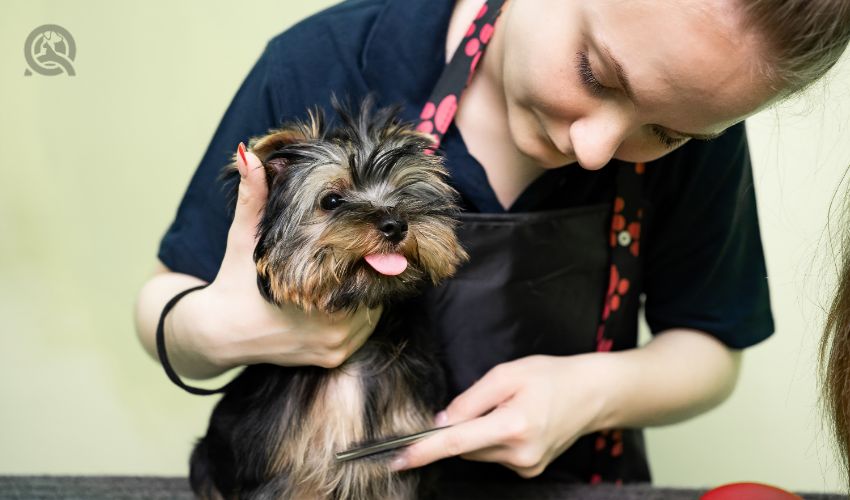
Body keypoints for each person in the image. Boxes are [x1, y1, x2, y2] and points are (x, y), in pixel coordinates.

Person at [134, 0, 850, 485]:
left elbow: (711, 349)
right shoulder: (326, 61)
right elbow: (163, 300)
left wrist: (595, 392)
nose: (598, 148)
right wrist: (214, 327)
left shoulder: (701, 121)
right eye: (593, 72)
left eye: (665, 135)